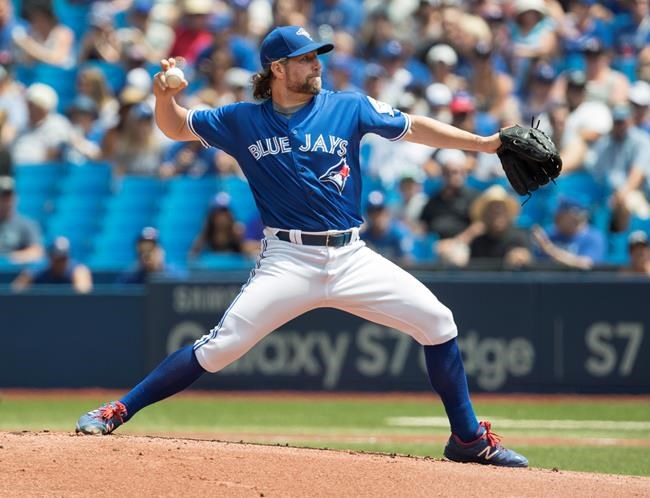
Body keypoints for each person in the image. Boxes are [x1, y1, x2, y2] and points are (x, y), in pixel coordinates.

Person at [75, 25, 528, 468]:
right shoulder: (242, 119)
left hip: (352, 256)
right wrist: (163, 97)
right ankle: (118, 409)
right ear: (277, 68)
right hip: (288, 260)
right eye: (307, 58)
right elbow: (175, 129)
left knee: (438, 322)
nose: (317, 64)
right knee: (220, 347)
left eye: (317, 56)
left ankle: (468, 439)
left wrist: (484, 144)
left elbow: (413, 128)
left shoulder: (348, 106)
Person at [531, 197, 606, 270]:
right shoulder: (549, 233)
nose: (556, 218)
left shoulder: (593, 237)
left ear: (576, 217)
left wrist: (549, 249)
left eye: (561, 215)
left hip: (579, 281)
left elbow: (585, 264)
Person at [469, 185, 532, 269]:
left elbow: (528, 260)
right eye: (492, 210)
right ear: (485, 215)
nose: (497, 212)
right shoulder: (477, 243)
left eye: (501, 209)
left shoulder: (520, 237)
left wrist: (521, 257)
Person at [11, 236, 93, 292]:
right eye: (57, 259)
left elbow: (83, 294)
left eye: (63, 258)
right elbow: (16, 289)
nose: (61, 262)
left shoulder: (77, 270)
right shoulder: (40, 269)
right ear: (50, 257)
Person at [0, 175, 44, 264]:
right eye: (3, 196)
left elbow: (37, 252)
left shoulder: (26, 224)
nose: (7, 200)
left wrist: (10, 258)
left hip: (13, 275)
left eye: (10, 195)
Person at [188, 192, 244, 258]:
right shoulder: (205, 234)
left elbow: (246, 257)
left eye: (225, 212)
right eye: (219, 213)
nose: (222, 218)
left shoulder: (237, 233)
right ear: (212, 216)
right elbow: (192, 257)